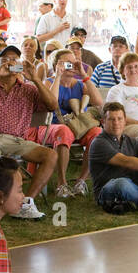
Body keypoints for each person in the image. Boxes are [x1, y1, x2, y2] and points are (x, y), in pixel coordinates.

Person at [0, 43, 57, 220]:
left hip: (17, 140)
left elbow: (52, 106)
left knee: (50, 155)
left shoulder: (29, 89)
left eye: (14, 60)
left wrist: (36, 79)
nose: (10, 63)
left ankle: (26, 203)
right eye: (5, 60)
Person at [44, 47, 103, 196]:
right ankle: (61, 182)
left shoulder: (79, 84)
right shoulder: (49, 82)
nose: (71, 66)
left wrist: (83, 75)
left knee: (97, 133)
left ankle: (81, 181)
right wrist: (58, 75)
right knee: (63, 132)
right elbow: (50, 103)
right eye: (67, 63)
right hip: (56, 125)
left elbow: (98, 102)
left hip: (78, 125)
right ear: (57, 64)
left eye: (74, 62)